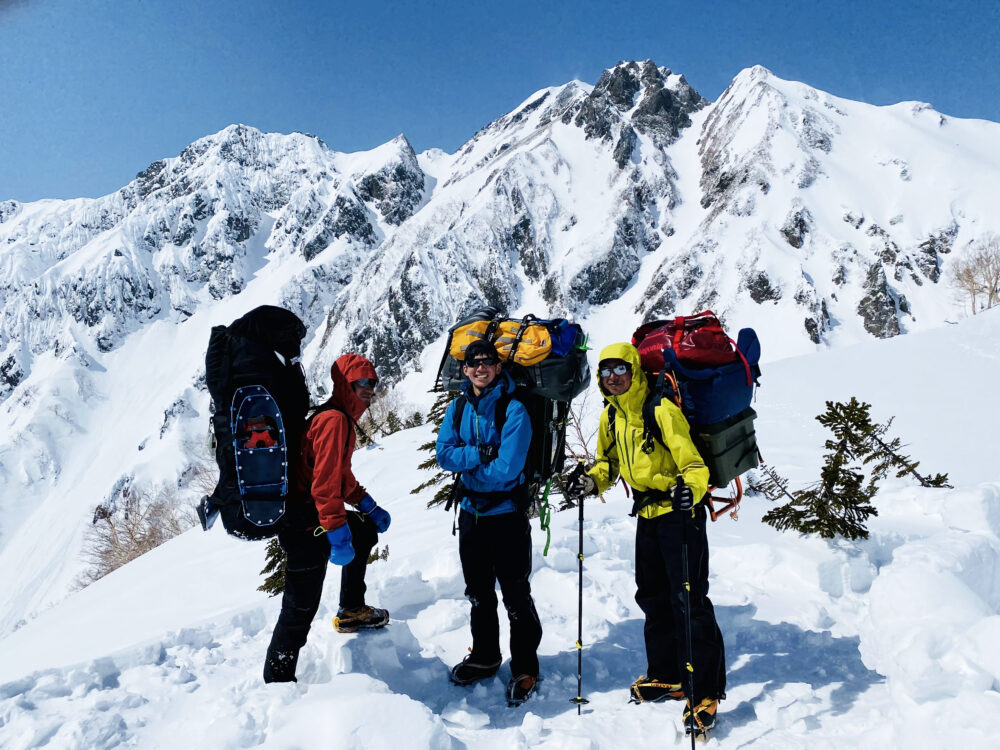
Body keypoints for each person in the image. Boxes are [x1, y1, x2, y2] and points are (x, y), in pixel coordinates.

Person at [563, 343, 726, 734]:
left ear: (634, 369)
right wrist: (590, 481)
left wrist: (690, 487)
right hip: (648, 515)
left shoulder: (660, 410)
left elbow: (693, 463)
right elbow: (609, 464)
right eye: (605, 372)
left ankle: (704, 690)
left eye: (620, 369)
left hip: (680, 513)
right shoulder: (611, 416)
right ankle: (667, 673)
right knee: (652, 595)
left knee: (689, 600)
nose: (613, 377)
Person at [263, 353, 392, 683]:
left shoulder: (341, 417)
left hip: (311, 514)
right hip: (304, 521)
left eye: (373, 383)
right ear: (346, 384)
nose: (369, 389)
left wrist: (368, 506)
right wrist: (335, 531)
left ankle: (351, 609)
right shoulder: (334, 420)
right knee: (300, 609)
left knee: (363, 532)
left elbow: (339, 474)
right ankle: (277, 682)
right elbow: (323, 485)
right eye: (362, 382)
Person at [435, 338, 543, 706]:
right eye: (473, 363)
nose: (480, 368)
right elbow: (444, 455)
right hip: (471, 516)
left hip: (506, 517)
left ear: (498, 367)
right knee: (479, 594)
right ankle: (486, 656)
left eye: (487, 362)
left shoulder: (514, 410)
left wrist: (472, 465)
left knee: (515, 595)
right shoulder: (458, 407)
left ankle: (525, 666)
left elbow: (508, 467)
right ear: (464, 370)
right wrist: (480, 454)